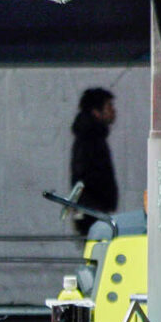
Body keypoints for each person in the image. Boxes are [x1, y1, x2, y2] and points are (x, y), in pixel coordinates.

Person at [68, 86, 119, 237]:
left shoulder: (92, 136)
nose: (113, 111)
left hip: (92, 209)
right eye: (109, 106)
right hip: (92, 211)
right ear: (96, 112)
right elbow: (86, 174)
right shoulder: (91, 139)